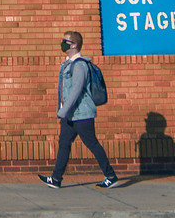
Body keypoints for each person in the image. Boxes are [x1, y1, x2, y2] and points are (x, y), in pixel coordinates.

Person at [40, 30, 120, 188]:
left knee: (92, 144)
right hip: (70, 115)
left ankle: (111, 176)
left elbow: (76, 91)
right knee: (64, 144)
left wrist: (62, 111)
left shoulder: (80, 65)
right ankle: (56, 179)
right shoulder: (67, 64)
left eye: (66, 41)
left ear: (75, 45)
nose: (63, 43)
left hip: (82, 114)